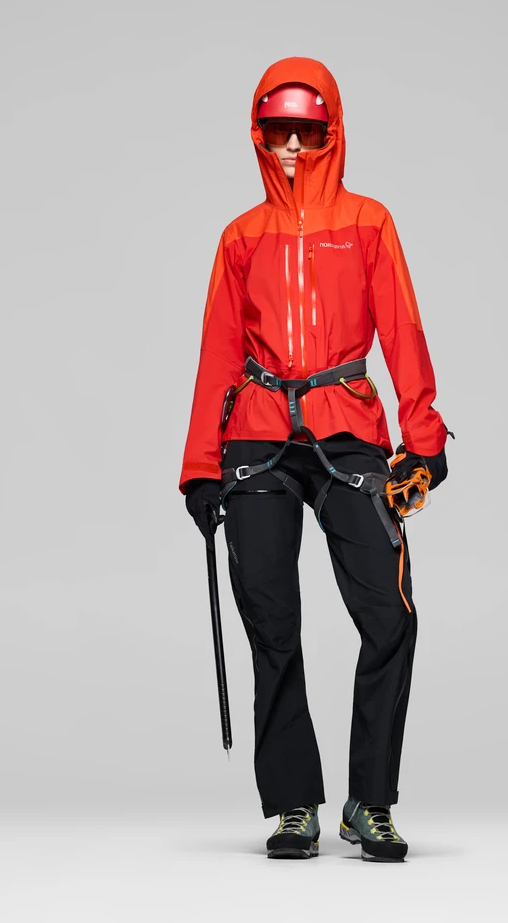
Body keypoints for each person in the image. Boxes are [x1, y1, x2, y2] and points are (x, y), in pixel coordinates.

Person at [180, 56, 451, 862]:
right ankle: (293, 804)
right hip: (257, 439)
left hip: (347, 431)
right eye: (278, 132)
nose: (293, 146)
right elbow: (218, 351)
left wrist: (424, 440)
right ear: (259, 136)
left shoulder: (368, 223)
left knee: (390, 616)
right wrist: (201, 467)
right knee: (270, 620)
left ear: (331, 132)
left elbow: (402, 329)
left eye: (307, 130)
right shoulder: (241, 237)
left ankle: (371, 802)